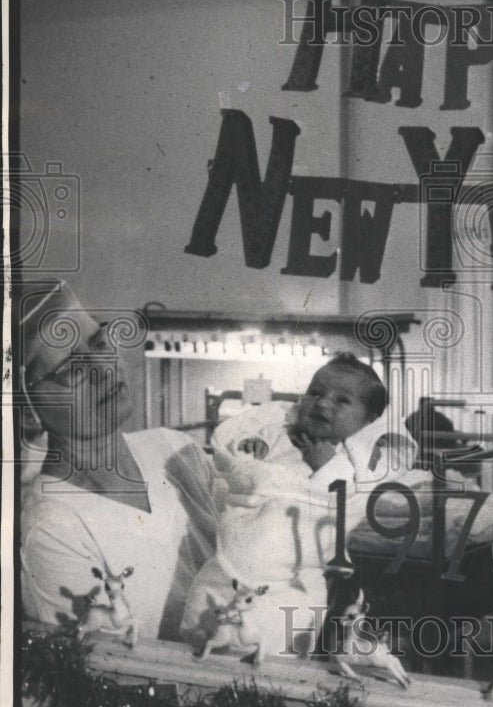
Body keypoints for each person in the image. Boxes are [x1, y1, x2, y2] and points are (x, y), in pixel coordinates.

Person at [19, 278, 221, 641]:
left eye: (99, 342)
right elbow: (110, 676)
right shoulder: (53, 528)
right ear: (26, 411)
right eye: (71, 369)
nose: (102, 367)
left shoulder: (176, 450)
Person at [181, 354, 417, 655]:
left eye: (342, 400)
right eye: (315, 392)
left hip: (294, 574)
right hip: (236, 557)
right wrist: (250, 451)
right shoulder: (279, 433)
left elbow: (351, 498)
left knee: (281, 641)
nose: (322, 403)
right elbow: (237, 464)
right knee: (206, 627)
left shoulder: (354, 459)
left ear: (367, 422)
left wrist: (328, 467)